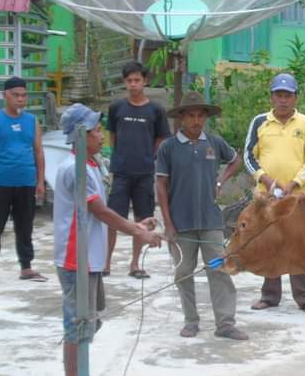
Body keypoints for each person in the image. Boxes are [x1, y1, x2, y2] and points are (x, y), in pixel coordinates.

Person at [54, 103, 163, 376]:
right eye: (96, 130)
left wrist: (135, 224)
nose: (102, 135)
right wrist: (139, 232)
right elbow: (100, 212)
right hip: (75, 259)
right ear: (80, 135)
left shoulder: (90, 165)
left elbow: (100, 213)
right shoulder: (74, 169)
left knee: (90, 321)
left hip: (89, 257)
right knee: (77, 325)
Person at [156, 91, 248, 340]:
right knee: (183, 271)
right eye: (191, 116)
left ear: (205, 117)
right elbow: (161, 186)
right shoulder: (169, 148)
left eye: (200, 116)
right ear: (182, 118)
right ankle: (191, 321)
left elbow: (235, 160)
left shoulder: (214, 143)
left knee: (219, 269)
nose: (196, 121)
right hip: (180, 223)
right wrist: (168, 223)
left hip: (211, 222)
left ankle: (225, 323)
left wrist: (220, 180)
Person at [243, 73, 305, 314]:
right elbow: (248, 155)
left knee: (299, 245)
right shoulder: (260, 122)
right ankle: (269, 296)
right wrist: (264, 179)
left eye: (288, 95)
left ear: (296, 97)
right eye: (279, 95)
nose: (283, 100)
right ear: (272, 97)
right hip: (266, 197)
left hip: (297, 197)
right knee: (268, 243)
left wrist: (295, 183)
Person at [105, 61, 170, 279]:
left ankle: (135, 264)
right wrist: (118, 155)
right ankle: (105, 263)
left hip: (144, 172)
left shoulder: (156, 110)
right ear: (124, 82)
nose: (133, 84)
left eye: (137, 80)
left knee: (143, 220)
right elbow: (112, 135)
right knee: (113, 219)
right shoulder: (116, 108)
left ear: (145, 81)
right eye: (129, 81)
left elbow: (161, 137)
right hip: (121, 172)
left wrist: (149, 156)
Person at [0, 76, 46, 286]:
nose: (20, 99)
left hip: (26, 181)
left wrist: (40, 181)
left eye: (23, 95)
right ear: (5, 95)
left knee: (25, 226)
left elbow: (38, 152)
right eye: (15, 95)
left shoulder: (31, 121)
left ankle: (26, 267)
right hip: (1, 182)